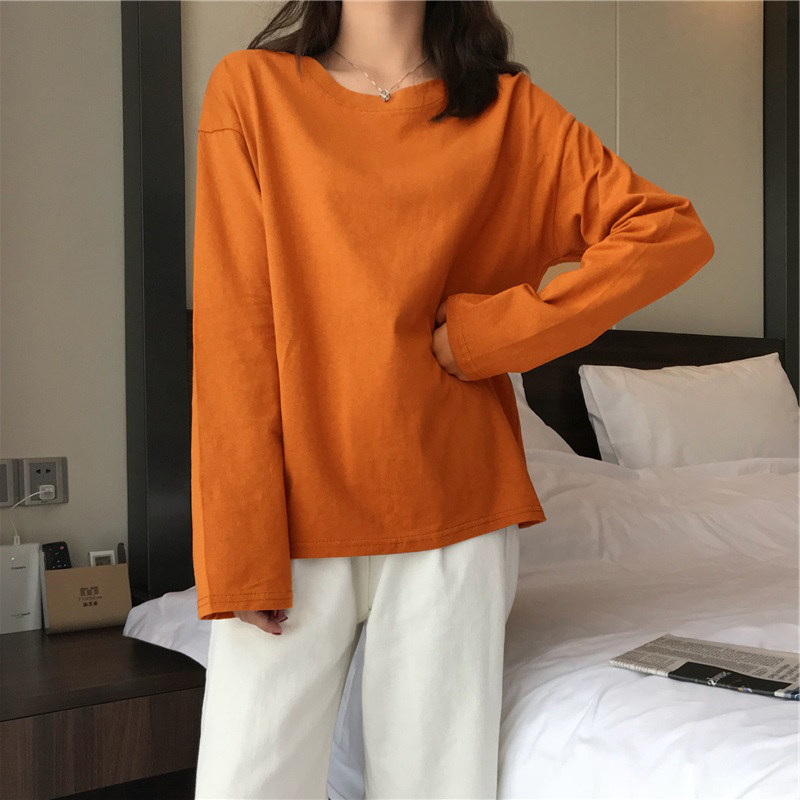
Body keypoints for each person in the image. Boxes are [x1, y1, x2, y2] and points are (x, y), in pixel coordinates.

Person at [190, 1, 715, 798]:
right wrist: (240, 547)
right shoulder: (253, 90)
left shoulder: (509, 112)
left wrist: (497, 335)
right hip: (295, 514)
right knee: (247, 783)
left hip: (456, 508)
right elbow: (235, 333)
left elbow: (668, 234)